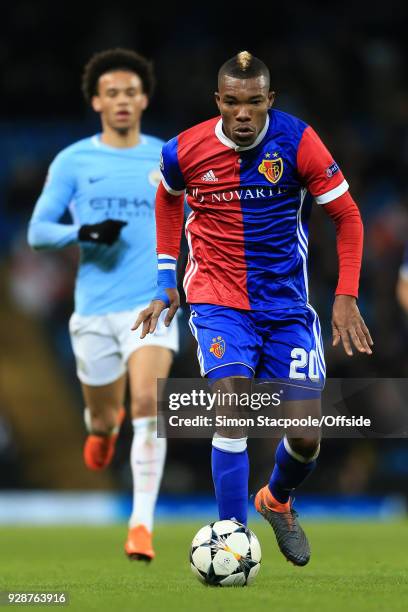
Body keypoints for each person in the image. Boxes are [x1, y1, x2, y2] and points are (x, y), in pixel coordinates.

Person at [134, 50, 374, 566]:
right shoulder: (184, 150)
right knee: (232, 402)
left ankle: (277, 499)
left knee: (306, 434)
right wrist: (165, 278)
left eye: (254, 103)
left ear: (270, 100)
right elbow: (168, 198)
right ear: (218, 101)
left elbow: (347, 216)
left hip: (286, 304)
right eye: (233, 103)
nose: (243, 114)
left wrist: (346, 295)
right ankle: (231, 536)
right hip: (218, 300)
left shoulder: (298, 141)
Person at [28, 48, 178, 561]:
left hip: (151, 305)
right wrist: (86, 233)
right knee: (104, 416)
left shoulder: (166, 158)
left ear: (144, 99)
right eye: (111, 93)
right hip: (93, 309)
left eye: (130, 92)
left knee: (146, 406)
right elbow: (38, 231)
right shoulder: (74, 160)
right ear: (96, 100)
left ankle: (141, 526)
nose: (121, 101)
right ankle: (102, 430)